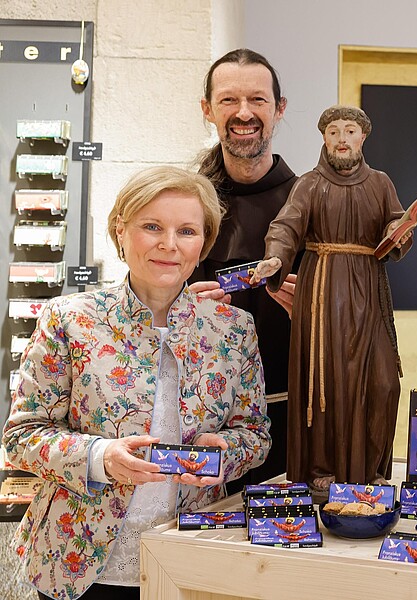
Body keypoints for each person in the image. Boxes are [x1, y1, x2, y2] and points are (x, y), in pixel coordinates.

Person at [2, 166, 271, 600]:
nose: (169, 244)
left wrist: (229, 454)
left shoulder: (233, 329)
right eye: (152, 227)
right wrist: (99, 456)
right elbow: (21, 436)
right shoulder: (70, 318)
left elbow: (255, 434)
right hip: (77, 562)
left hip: (190, 559)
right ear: (120, 231)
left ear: (204, 242)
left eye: (187, 230)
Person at [249, 105, 412, 495]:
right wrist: (276, 256)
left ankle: (370, 468)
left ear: (363, 137)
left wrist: (398, 230)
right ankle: (322, 469)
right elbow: (286, 226)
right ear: (324, 138)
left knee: (383, 382)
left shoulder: (380, 182)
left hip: (369, 291)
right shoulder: (308, 184)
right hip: (322, 292)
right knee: (325, 381)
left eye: (350, 131)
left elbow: (393, 219)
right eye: (334, 131)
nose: (342, 138)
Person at [189, 49, 298, 491]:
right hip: (201, 426)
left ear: (279, 109)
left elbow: (357, 321)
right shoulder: (185, 205)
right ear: (207, 110)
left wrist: (311, 311)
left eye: (257, 99)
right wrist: (180, 308)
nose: (244, 113)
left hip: (294, 418)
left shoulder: (313, 203)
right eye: (229, 100)